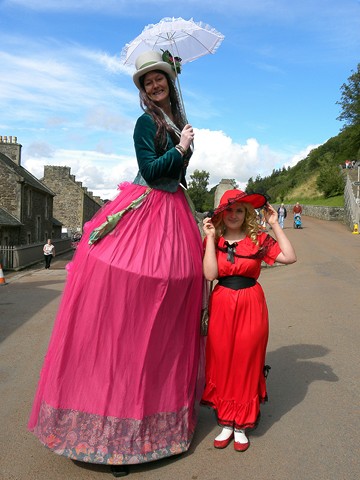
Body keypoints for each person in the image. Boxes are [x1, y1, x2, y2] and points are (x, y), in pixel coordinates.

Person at [28, 50, 203, 477]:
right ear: (143, 91)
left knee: (176, 293)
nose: (154, 86)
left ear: (169, 82)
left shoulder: (176, 121)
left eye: (159, 79)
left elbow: (178, 175)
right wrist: (180, 148)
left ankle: (158, 427)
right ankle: (106, 433)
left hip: (174, 213)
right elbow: (153, 168)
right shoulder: (146, 123)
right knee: (124, 301)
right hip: (148, 204)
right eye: (147, 82)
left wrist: (185, 142)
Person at [201, 189, 296, 452]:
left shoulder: (259, 239)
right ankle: (226, 422)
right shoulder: (215, 239)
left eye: (239, 210)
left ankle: (241, 424)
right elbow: (210, 274)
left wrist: (275, 224)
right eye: (229, 210)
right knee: (222, 361)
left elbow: (289, 257)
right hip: (222, 304)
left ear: (247, 214)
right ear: (221, 214)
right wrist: (210, 238)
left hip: (251, 304)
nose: (233, 215)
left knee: (246, 360)